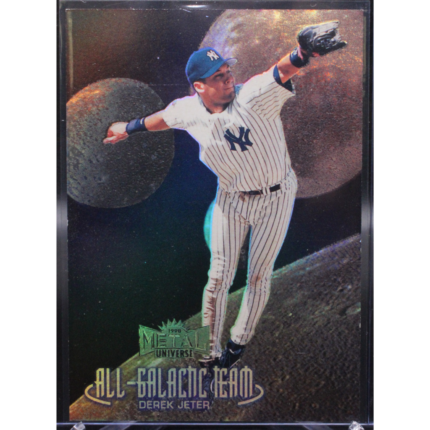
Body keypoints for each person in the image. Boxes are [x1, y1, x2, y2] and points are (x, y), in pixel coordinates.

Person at [103, 22, 346, 372]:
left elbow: (280, 70)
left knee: (259, 275)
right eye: (218, 76)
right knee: (217, 278)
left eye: (227, 71)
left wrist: (304, 52)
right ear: (199, 87)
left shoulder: (253, 95)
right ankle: (210, 348)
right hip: (231, 198)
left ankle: (238, 342)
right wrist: (127, 128)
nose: (228, 78)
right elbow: (163, 119)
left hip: (277, 197)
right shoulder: (187, 109)